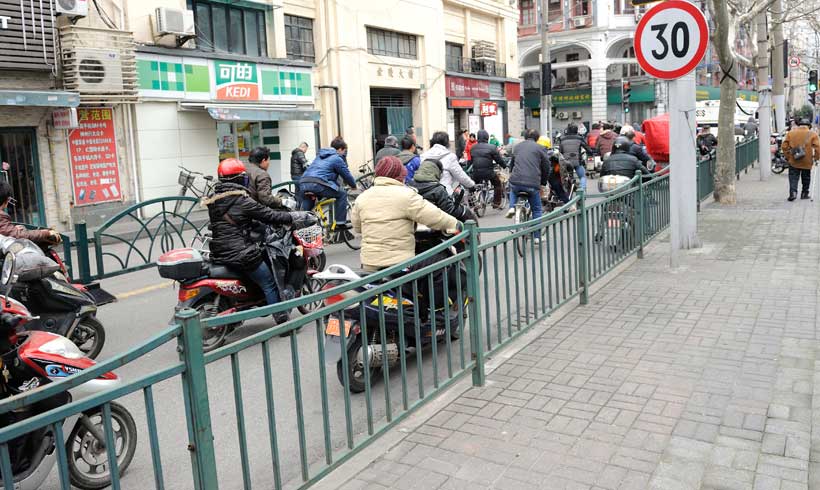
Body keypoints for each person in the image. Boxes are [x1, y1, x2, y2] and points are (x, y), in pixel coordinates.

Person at [203, 158, 316, 323]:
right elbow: (270, 215)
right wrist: (296, 216)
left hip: (219, 251)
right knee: (269, 283)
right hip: (241, 253)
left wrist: (254, 223)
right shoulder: (242, 200)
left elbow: (235, 222)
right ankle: (282, 321)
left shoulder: (214, 200)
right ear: (240, 179)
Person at [351, 156, 460, 271]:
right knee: (440, 262)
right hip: (398, 265)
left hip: (369, 264)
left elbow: (358, 228)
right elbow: (436, 217)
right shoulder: (406, 195)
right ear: (400, 175)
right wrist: (455, 224)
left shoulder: (362, 198)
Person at [299, 137, 356, 227]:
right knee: (342, 194)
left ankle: (301, 224)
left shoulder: (319, 156)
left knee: (308, 200)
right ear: (340, 149)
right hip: (317, 183)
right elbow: (346, 175)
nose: (344, 153)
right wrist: (353, 185)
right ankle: (340, 223)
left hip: (304, 182)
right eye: (344, 151)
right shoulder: (337, 158)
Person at [505, 129, 551, 241]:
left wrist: (512, 174)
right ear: (537, 138)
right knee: (537, 209)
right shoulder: (540, 148)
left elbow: (512, 163)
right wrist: (543, 182)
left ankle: (512, 207)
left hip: (516, 181)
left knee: (513, 189)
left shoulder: (518, 147)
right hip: (532, 184)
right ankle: (537, 237)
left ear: (525, 137)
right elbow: (546, 167)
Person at [782, 118, 820, 201]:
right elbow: (817, 148)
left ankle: (793, 192)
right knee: (806, 177)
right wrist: (816, 158)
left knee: (793, 177)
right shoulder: (813, 134)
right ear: (809, 126)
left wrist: (788, 156)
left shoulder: (791, 133)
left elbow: (784, 146)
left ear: (799, 125)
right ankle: (804, 193)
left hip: (794, 159)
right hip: (807, 160)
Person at [469, 130, 507, 208]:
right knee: (497, 184)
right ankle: (496, 203)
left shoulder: (473, 147)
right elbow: (498, 159)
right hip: (488, 172)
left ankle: (472, 202)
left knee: (472, 185)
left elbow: (471, 161)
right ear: (487, 137)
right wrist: (504, 166)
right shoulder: (492, 147)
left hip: (476, 173)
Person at [558, 123, 590, 190]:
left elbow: (560, 151)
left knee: (565, 177)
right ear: (576, 130)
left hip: (565, 162)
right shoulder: (579, 138)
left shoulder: (562, 139)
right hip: (577, 162)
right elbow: (587, 148)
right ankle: (582, 190)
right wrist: (591, 152)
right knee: (582, 177)